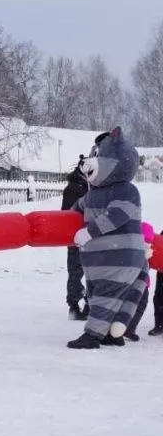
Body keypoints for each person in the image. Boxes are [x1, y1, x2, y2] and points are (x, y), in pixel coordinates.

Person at [68, 127, 146, 349]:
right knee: (102, 295)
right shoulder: (93, 194)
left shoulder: (126, 191)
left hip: (119, 256)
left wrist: (89, 231)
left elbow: (118, 215)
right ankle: (113, 332)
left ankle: (93, 335)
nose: (92, 161)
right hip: (101, 260)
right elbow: (77, 209)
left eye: (98, 156)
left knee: (107, 295)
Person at [61, 157, 89, 320]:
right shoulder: (74, 188)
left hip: (89, 235)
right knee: (76, 271)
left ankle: (87, 304)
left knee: (83, 272)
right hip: (76, 236)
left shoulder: (87, 186)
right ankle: (74, 304)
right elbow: (67, 213)